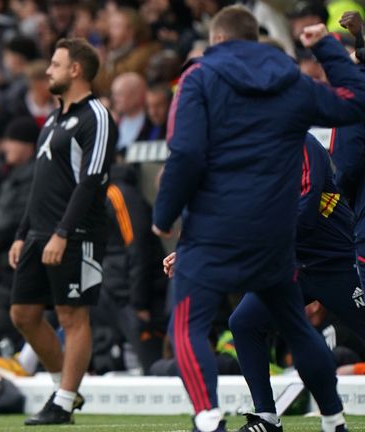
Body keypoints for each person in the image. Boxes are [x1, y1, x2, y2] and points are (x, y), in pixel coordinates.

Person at [152, 6, 365, 432]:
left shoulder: (201, 82)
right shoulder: (292, 89)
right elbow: (354, 99)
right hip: (281, 247)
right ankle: (302, 417)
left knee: (188, 320)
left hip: (326, 256)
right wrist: (327, 48)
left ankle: (208, 417)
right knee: (252, 322)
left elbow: (189, 156)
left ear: (216, 41)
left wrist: (172, 220)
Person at [164, 134, 365, 432]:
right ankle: (267, 417)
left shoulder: (303, 146)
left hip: (338, 263)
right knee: (245, 322)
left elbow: (302, 216)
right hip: (291, 268)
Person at [8, 37, 117, 425]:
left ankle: (64, 400)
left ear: (75, 70)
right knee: (22, 314)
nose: (48, 71)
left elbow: (91, 182)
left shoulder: (97, 117)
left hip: (77, 233)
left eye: (55, 64)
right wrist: (22, 232)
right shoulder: (53, 119)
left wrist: (63, 232)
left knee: (73, 317)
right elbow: (41, 182)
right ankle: (64, 389)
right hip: (38, 233)